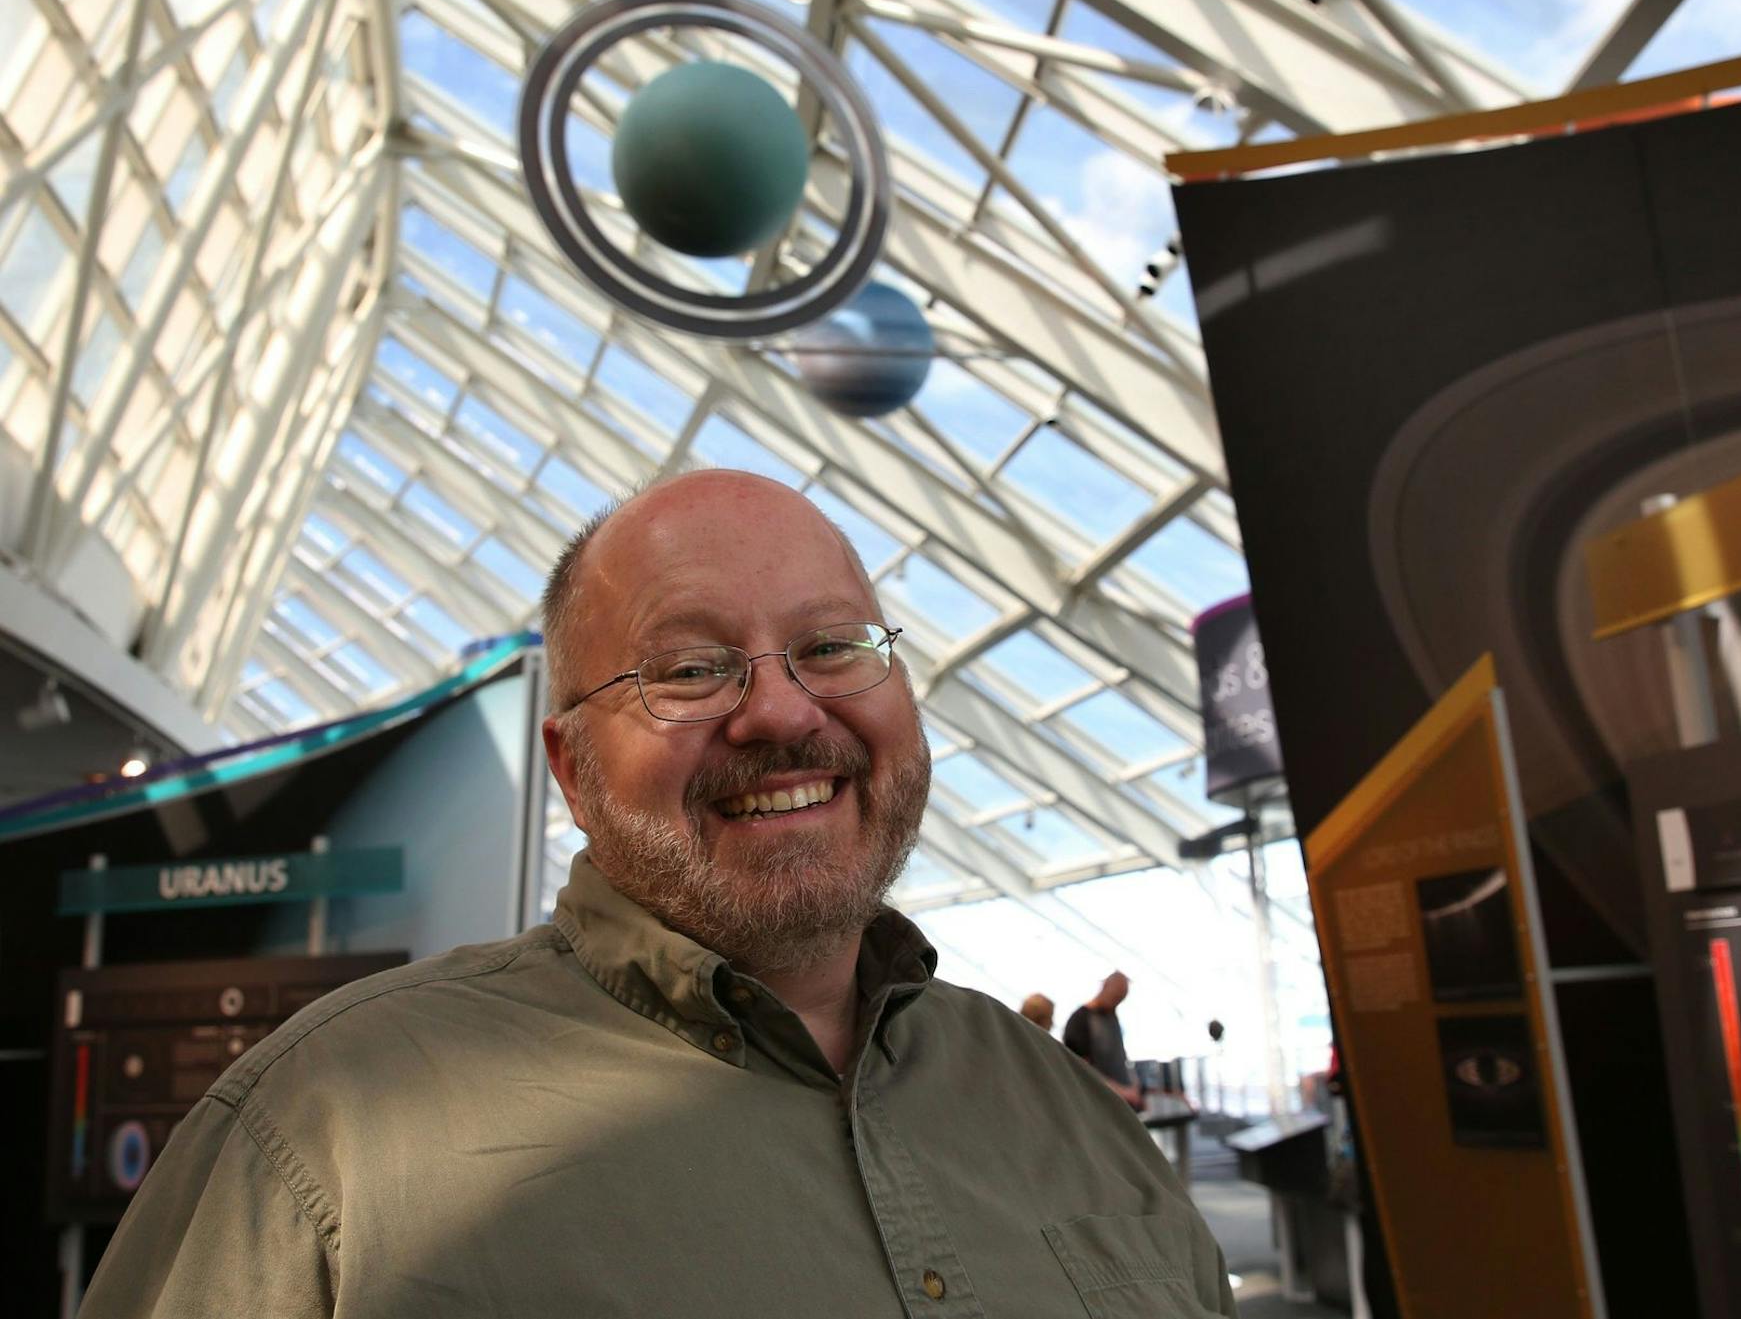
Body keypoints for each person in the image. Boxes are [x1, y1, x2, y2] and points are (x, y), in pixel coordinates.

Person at [81, 470, 1233, 1317]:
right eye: (689, 667)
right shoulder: (325, 1127)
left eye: (833, 645)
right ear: (573, 768)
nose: (781, 710)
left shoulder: (1067, 1112)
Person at [1064, 970, 1143, 1108]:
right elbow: (1081, 1067)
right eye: (1115, 997)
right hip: (1097, 1102)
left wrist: (1134, 1085)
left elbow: (1120, 1056)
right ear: (1105, 986)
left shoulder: (1112, 1017)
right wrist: (1121, 1091)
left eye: (1120, 999)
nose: (1116, 1003)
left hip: (1122, 1100)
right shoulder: (1080, 1020)